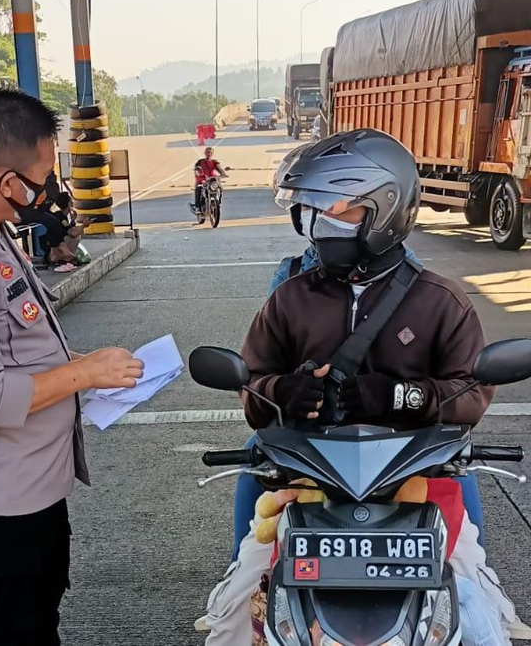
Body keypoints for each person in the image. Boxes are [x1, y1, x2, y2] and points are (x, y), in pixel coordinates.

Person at [200, 130, 496, 643]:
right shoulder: (290, 297)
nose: (318, 223)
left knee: (473, 594)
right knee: (240, 598)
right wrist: (281, 392)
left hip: (416, 469)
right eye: (312, 208)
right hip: (306, 472)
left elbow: (471, 391)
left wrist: (403, 397)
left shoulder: (441, 301)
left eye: (336, 208)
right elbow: (251, 380)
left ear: (385, 210)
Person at [0, 87, 144, 646]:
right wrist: (83, 375)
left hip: (31, 489)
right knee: (8, 631)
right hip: (0, 501)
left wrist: (90, 365)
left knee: (38, 621)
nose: (49, 189)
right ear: (7, 180)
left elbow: (18, 348)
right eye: (42, 174)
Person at [190, 146, 227, 214]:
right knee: (199, 189)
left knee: (220, 188)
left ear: (212, 154)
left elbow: (219, 169)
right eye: (207, 152)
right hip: (202, 180)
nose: (208, 154)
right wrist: (198, 173)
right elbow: (197, 170)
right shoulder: (200, 162)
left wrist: (223, 174)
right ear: (204, 153)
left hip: (212, 180)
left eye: (210, 152)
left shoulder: (214, 162)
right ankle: (197, 207)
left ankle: (218, 205)